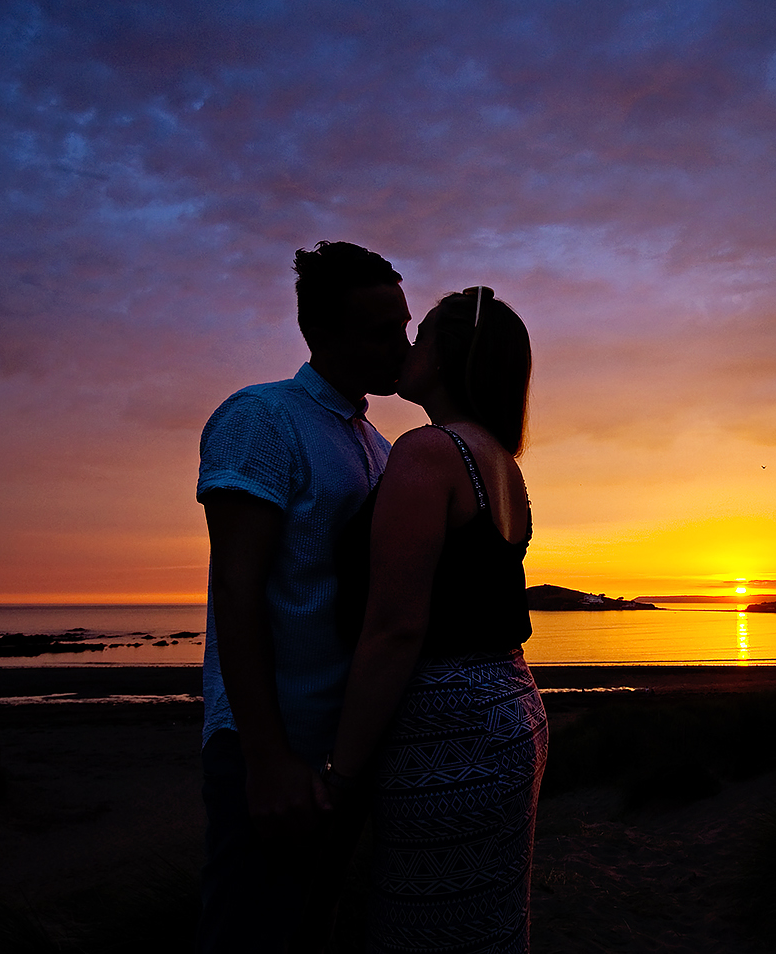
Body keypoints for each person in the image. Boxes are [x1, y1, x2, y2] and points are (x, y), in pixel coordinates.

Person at [197, 241, 411, 953]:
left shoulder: (377, 442)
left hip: (338, 752)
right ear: (322, 335)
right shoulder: (261, 418)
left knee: (312, 931)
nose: (401, 347)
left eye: (405, 327)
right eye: (382, 331)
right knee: (251, 936)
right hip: (270, 749)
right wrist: (266, 758)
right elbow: (237, 586)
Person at [326, 286, 548, 954]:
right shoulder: (502, 463)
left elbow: (395, 627)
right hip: (511, 709)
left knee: (421, 929)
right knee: (484, 927)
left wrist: (342, 773)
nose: (404, 348)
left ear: (449, 355)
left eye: (419, 335)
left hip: (449, 733)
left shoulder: (429, 451)